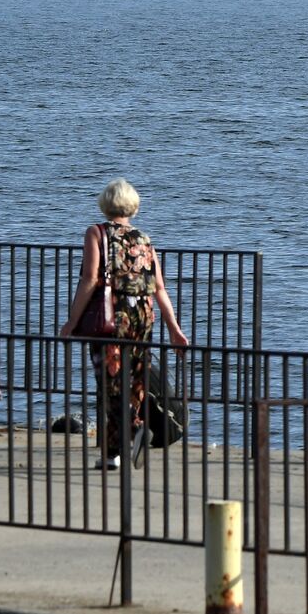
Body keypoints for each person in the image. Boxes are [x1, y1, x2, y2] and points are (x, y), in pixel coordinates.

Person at [60, 178, 188, 469]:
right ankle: (112, 454)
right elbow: (159, 288)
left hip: (112, 318)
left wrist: (72, 321)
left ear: (105, 203)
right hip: (143, 316)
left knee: (110, 384)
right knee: (135, 383)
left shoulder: (97, 233)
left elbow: (90, 279)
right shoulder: (144, 238)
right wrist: (174, 329)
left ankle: (134, 428)